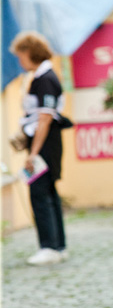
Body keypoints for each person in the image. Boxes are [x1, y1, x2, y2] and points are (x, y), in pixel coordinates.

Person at [11, 32, 68, 265]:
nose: (19, 61)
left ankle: (49, 246)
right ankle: (58, 245)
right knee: (50, 194)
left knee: (40, 193)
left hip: (44, 145)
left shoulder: (45, 78)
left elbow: (44, 119)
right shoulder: (42, 76)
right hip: (45, 143)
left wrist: (33, 154)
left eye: (20, 56)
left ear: (28, 52)